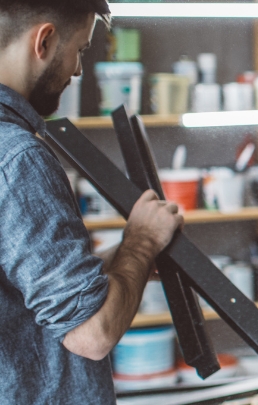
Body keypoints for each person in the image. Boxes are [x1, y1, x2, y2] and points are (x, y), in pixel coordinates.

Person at [0, 0, 185, 402]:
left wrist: (124, 258)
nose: (79, 70)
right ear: (44, 41)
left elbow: (21, 285)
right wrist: (141, 242)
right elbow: (92, 334)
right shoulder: (17, 159)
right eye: (80, 50)